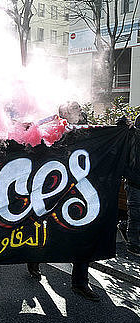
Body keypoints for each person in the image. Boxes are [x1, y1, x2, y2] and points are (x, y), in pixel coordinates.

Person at [27, 101, 99, 301]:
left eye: (80, 111)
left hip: (77, 191)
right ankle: (33, 259)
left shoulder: (84, 127)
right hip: (53, 190)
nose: (80, 113)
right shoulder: (50, 127)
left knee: (82, 234)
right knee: (47, 231)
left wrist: (121, 131)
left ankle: (80, 283)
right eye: (75, 110)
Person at [123, 115, 140, 256]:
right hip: (134, 182)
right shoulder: (132, 136)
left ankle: (124, 226)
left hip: (134, 180)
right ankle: (132, 244)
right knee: (135, 214)